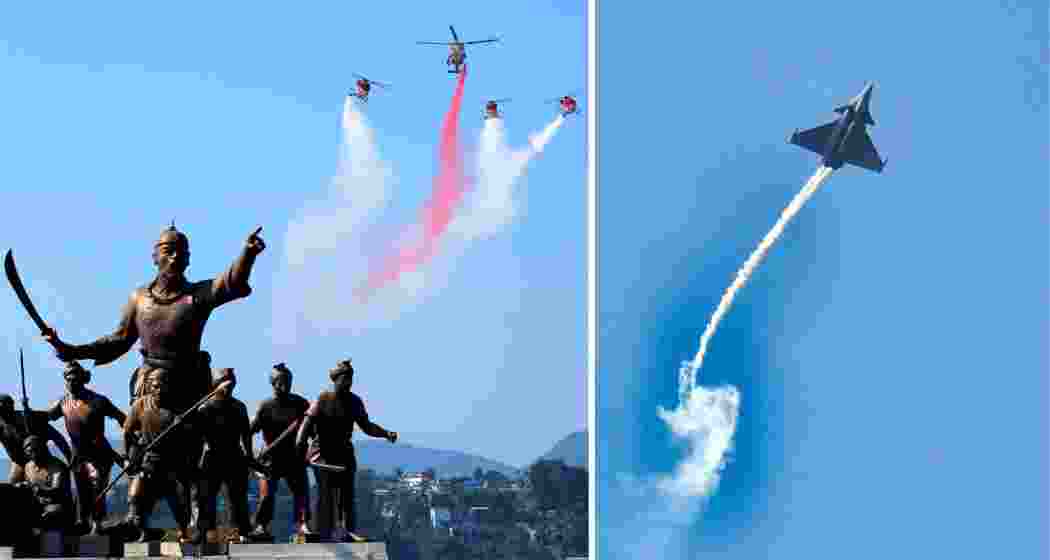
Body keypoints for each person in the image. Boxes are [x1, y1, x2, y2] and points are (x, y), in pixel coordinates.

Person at [42, 222, 265, 412]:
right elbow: (118, 341)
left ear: (188, 259)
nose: (175, 256)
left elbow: (230, 282)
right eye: (168, 251)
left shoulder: (199, 295)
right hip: (150, 385)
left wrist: (248, 254)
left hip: (189, 385)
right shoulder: (139, 298)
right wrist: (71, 350)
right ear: (155, 257)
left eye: (181, 252)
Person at [295, 359, 397, 542]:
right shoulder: (323, 398)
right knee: (324, 493)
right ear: (335, 380)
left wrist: (385, 433)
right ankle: (316, 530)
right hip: (322, 453)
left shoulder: (354, 401)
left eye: (350, 379)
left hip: (343, 452)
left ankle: (347, 530)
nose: (348, 382)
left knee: (347, 493)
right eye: (345, 378)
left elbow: (366, 426)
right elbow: (306, 424)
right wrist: (300, 445)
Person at [46, 361, 127, 535]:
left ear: (83, 379)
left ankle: (97, 523)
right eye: (68, 379)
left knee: (98, 487)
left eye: (75, 379)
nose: (71, 382)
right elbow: (46, 417)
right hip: (78, 455)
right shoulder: (63, 402)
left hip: (99, 453)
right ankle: (82, 521)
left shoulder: (98, 401)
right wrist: (27, 411)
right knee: (82, 489)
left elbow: (123, 419)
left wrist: (128, 447)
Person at [122, 368, 196, 543]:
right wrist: (128, 457)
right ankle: (143, 530)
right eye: (155, 386)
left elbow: (192, 434)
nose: (159, 390)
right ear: (149, 386)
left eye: (163, 385)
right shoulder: (140, 405)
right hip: (149, 460)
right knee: (137, 497)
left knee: (179, 500)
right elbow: (127, 432)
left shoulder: (178, 406)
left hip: (174, 461)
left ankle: (184, 531)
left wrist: (182, 425)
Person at [249, 363, 311, 539]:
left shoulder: (300, 404)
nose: (286, 385)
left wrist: (309, 453)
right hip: (271, 458)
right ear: (273, 383)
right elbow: (249, 431)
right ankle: (261, 526)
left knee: (302, 493)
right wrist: (250, 456)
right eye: (282, 381)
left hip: (294, 457)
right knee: (267, 495)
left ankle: (303, 525)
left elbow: (313, 430)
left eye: (288, 381)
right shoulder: (266, 406)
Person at [196, 368, 252, 543]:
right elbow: (198, 436)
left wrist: (249, 455)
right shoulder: (205, 408)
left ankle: (239, 530)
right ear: (216, 384)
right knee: (206, 496)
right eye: (225, 383)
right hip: (212, 456)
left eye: (231, 383)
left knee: (237, 497)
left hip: (234, 454)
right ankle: (207, 531)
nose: (228, 387)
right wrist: (197, 459)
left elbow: (246, 434)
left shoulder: (239, 407)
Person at [0, 394, 72, 483]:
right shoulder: (1, 426)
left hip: (42, 460)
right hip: (20, 462)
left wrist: (69, 457)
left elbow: (58, 438)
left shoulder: (30, 418)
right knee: (12, 484)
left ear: (11, 406)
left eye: (4, 408)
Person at [18, 435, 74, 531]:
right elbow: (29, 485)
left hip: (58, 505)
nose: (33, 455)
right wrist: (22, 486)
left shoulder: (57, 466)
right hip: (38, 504)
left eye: (36, 450)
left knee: (52, 511)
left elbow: (58, 491)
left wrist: (41, 490)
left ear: (44, 449)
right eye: (30, 452)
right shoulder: (28, 467)